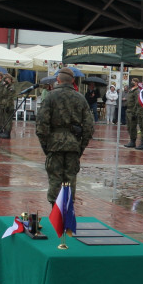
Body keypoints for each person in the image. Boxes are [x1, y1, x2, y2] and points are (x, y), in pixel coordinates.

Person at [36, 67, 94, 205]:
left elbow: (41, 123)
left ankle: (55, 214)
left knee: (55, 179)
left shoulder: (50, 96)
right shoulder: (80, 98)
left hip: (54, 144)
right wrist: (81, 146)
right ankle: (67, 214)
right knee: (70, 180)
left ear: (58, 79)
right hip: (73, 144)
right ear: (73, 81)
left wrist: (45, 144)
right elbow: (89, 127)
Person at [0, 72, 17, 138]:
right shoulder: (4, 86)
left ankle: (7, 132)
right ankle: (3, 131)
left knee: (8, 120)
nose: (6, 80)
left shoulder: (11, 87)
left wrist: (8, 105)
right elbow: (0, 94)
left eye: (8, 79)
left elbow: (10, 97)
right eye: (5, 79)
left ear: (11, 80)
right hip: (3, 104)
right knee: (3, 119)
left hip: (8, 105)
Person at [124, 78, 142, 148]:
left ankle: (133, 141)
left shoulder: (136, 91)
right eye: (132, 81)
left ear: (137, 83)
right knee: (129, 127)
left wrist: (134, 112)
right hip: (128, 110)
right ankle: (131, 140)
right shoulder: (131, 90)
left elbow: (136, 102)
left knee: (132, 127)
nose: (132, 82)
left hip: (132, 111)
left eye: (134, 81)